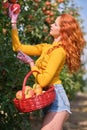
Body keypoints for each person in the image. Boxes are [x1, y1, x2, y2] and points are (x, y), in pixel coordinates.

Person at [9, 5, 85, 130]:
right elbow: (18, 48)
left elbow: (44, 81)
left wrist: (31, 63)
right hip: (47, 98)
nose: (51, 25)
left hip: (58, 100)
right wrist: (14, 22)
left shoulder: (59, 52)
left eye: (55, 24)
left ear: (63, 30)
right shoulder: (46, 47)